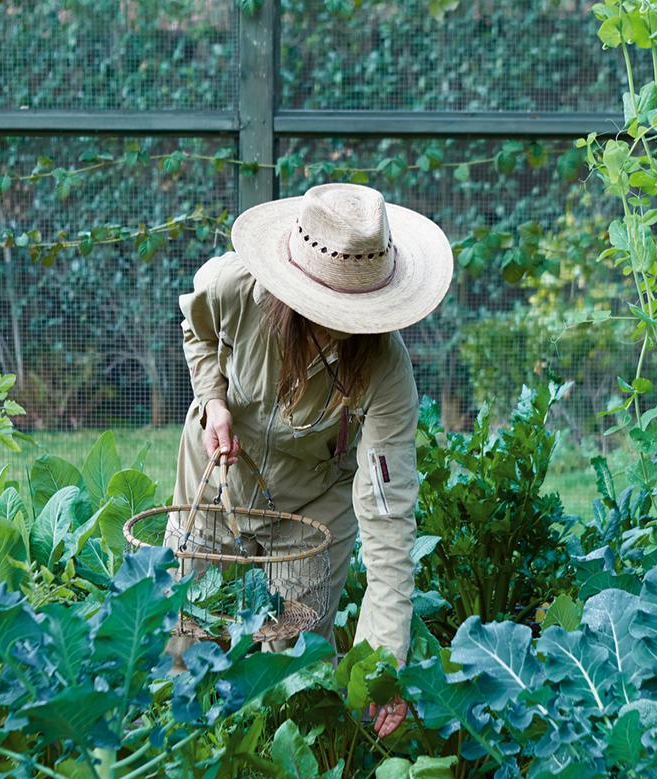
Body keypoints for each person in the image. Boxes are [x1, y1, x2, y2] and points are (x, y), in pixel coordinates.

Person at [170, 183, 452, 737]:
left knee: (292, 669)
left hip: (314, 501)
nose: (339, 323)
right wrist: (213, 400)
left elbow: (389, 515)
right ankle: (186, 750)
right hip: (217, 474)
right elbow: (196, 331)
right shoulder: (232, 286)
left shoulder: (386, 373)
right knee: (187, 634)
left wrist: (382, 665)